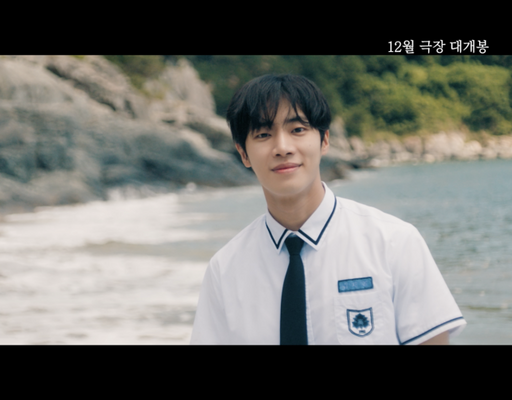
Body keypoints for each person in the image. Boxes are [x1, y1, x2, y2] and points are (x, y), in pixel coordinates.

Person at [190, 74, 466, 345]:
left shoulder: (393, 242)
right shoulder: (225, 270)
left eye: (298, 130)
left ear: (324, 140)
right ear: (243, 153)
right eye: (263, 134)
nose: (282, 148)